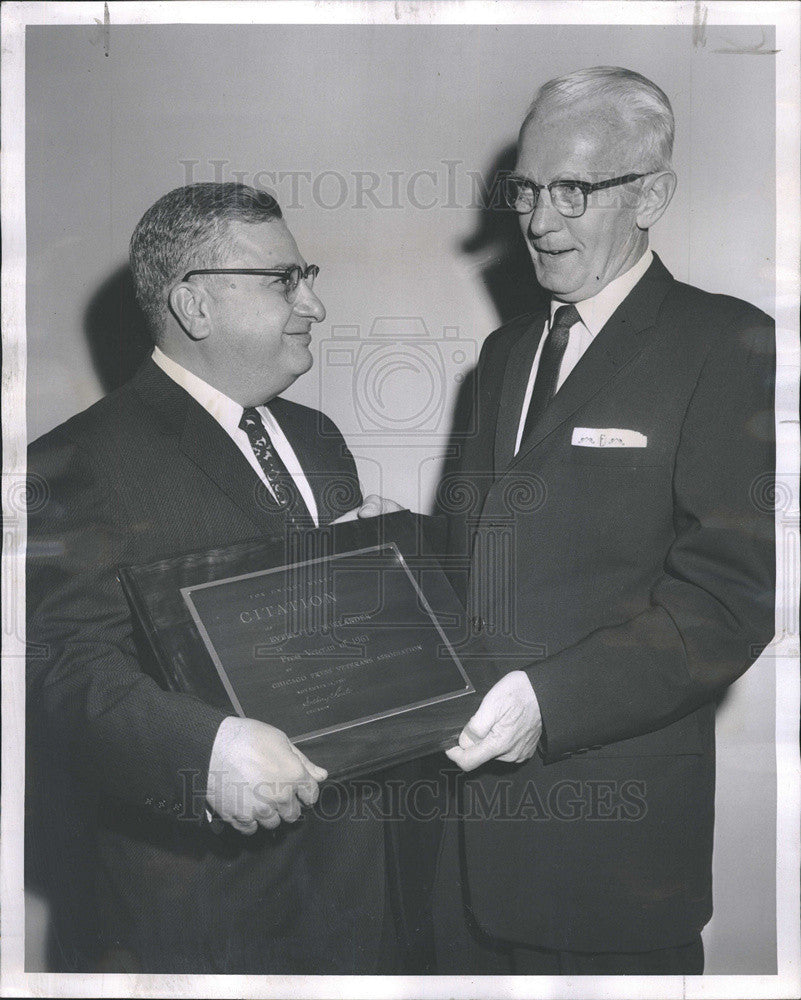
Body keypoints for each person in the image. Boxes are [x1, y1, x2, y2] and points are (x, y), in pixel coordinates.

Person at [434, 67, 775, 975]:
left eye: (574, 191)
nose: (540, 222)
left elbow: (727, 605)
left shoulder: (721, 343)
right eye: (527, 190)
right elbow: (472, 559)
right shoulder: (503, 354)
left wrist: (551, 701)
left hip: (609, 861)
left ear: (651, 195)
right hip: (459, 843)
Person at [26, 182, 401, 973]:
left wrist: (386, 579)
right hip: (196, 914)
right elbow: (63, 672)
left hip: (355, 890)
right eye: (285, 279)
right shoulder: (73, 464)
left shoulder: (318, 438)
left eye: (310, 274)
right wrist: (205, 750)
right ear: (194, 307)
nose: (315, 304)